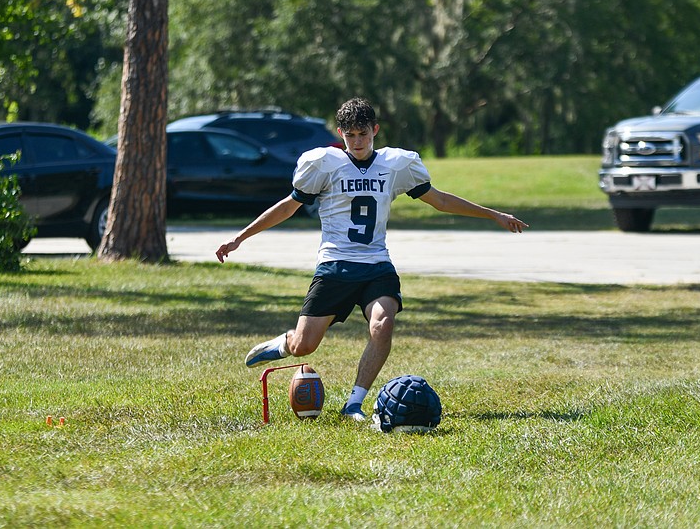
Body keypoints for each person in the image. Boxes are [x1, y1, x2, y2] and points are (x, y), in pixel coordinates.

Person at [215, 97, 527, 422]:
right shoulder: (324, 163)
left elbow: (441, 200)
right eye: (350, 135)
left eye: (363, 133)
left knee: (383, 323)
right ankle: (284, 343)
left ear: (375, 130)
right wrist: (240, 237)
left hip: (377, 265)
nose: (358, 141)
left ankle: (354, 403)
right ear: (340, 134)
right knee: (305, 346)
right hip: (335, 266)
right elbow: (288, 206)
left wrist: (494, 215)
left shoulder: (396, 164)